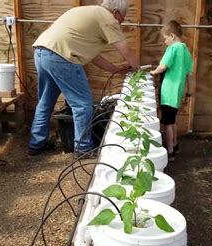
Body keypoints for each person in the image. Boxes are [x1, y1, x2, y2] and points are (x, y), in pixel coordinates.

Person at [28, 0, 139, 156]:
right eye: (122, 18)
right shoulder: (108, 18)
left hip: (41, 52)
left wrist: (114, 69)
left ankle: (36, 144)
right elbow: (126, 51)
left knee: (45, 101)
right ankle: (83, 148)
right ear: (116, 13)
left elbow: (94, 56)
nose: (120, 23)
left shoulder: (86, 12)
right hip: (61, 56)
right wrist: (138, 69)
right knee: (82, 105)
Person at [150, 20, 193, 161]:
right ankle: (175, 145)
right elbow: (188, 74)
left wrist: (152, 72)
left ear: (172, 36)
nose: (165, 42)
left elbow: (163, 66)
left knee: (167, 123)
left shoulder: (173, 49)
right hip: (177, 92)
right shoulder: (186, 50)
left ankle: (169, 151)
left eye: (165, 38)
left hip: (168, 91)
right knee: (172, 120)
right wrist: (188, 92)